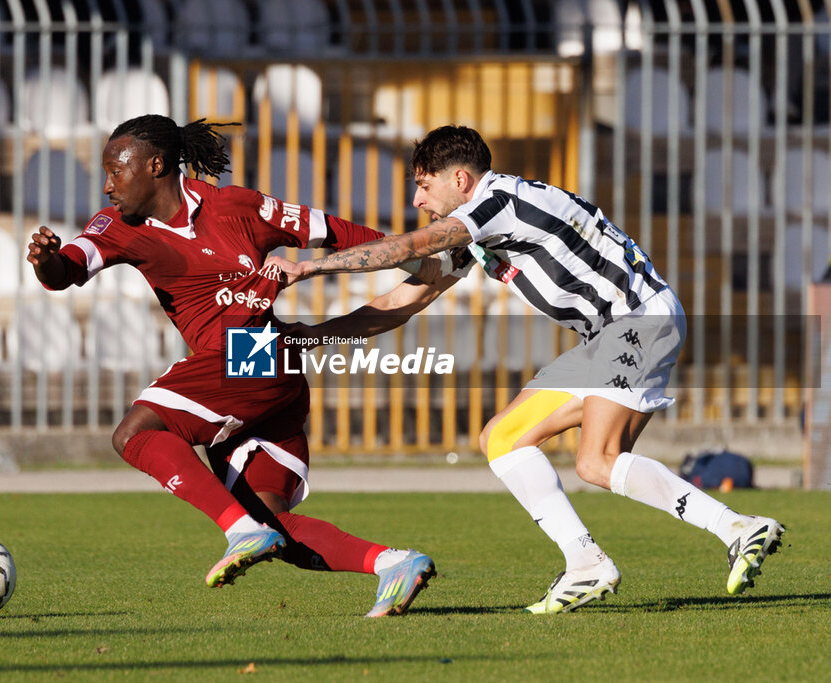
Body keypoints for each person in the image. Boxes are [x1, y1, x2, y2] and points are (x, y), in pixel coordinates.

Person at [268, 124, 785, 613]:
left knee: (596, 461)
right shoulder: (480, 227)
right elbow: (406, 299)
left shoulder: (499, 203)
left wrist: (310, 265)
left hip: (636, 321)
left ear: (460, 180)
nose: (417, 201)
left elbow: (407, 248)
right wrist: (314, 338)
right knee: (504, 438)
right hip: (606, 336)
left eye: (423, 187)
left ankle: (735, 526)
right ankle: (586, 561)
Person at [26, 114, 437, 617]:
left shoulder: (237, 206)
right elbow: (67, 269)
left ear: (155, 165)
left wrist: (416, 258)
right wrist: (46, 260)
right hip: (264, 372)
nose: (108, 184)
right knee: (274, 525)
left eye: (117, 170)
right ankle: (393, 563)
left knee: (133, 433)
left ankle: (240, 532)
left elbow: (332, 230)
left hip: (255, 353)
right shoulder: (115, 227)